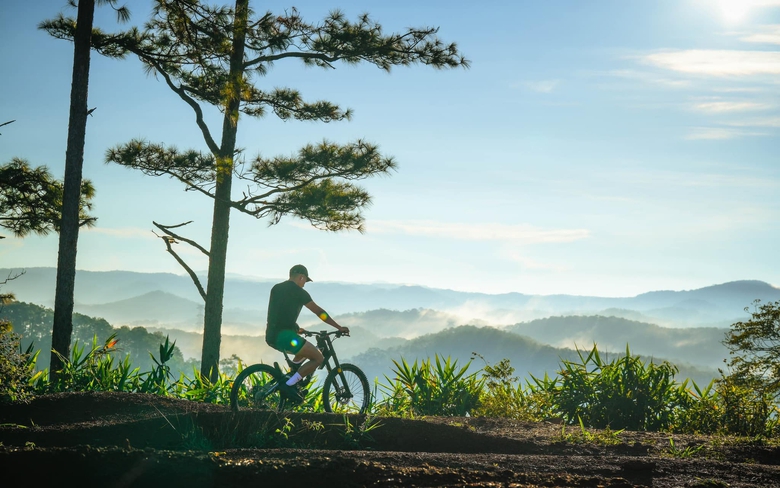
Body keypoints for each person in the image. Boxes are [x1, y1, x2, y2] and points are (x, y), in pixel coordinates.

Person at [265, 264, 349, 403]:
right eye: (305, 281)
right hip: (286, 336)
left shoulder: (276, 288)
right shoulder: (299, 292)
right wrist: (338, 327)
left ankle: (292, 377)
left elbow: (280, 313)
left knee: (302, 353)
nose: (304, 285)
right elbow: (319, 312)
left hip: (272, 336)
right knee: (318, 358)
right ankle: (289, 385)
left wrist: (296, 329)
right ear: (301, 277)